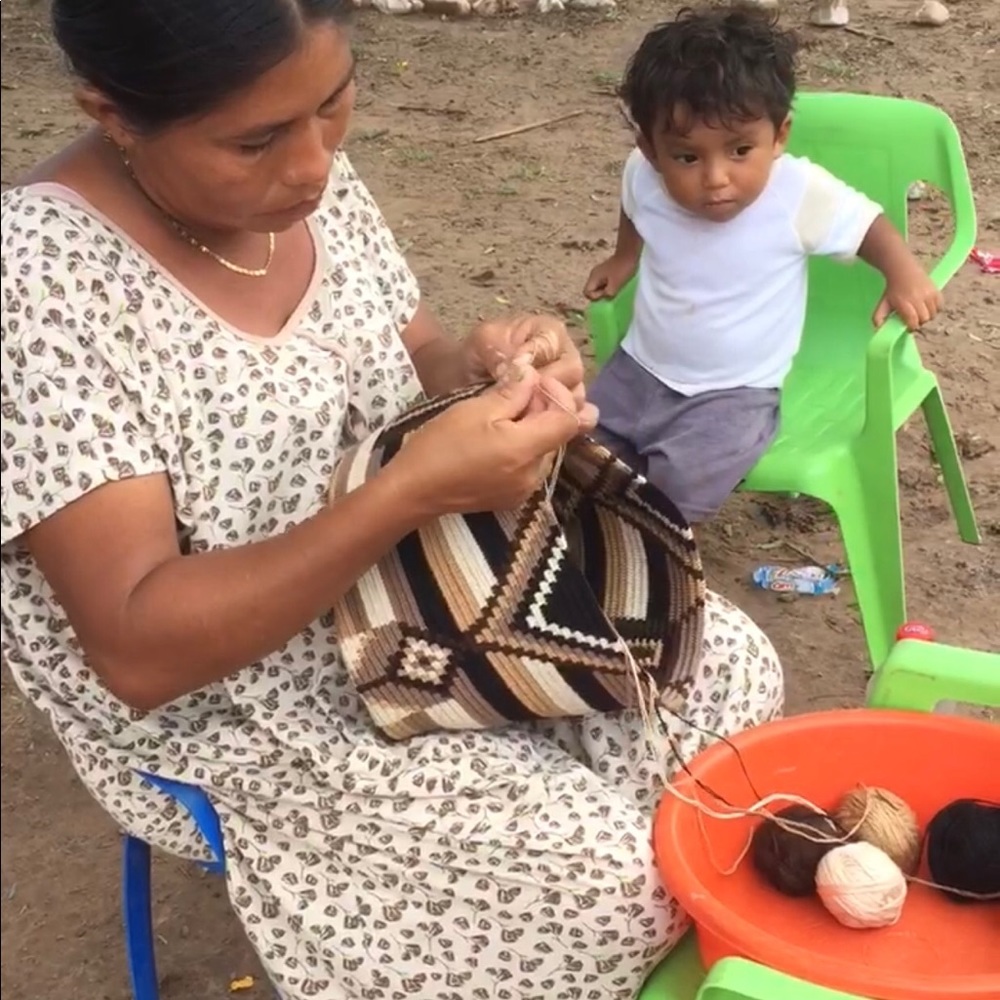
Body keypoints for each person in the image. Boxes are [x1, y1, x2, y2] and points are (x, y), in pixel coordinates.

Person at [0, 2, 783, 997]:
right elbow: (138, 648)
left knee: (725, 682)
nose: (314, 165)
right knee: (608, 884)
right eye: (256, 140)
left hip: (431, 586)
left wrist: (488, 367)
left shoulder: (303, 175)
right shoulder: (40, 284)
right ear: (112, 113)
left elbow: (415, 360)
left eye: (334, 104)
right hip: (243, 700)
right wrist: (409, 493)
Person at [583, 4, 941, 525]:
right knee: (580, 453)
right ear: (652, 150)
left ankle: (653, 560)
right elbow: (635, 203)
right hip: (639, 369)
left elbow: (867, 224)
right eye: (687, 157)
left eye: (739, 150)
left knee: (673, 493)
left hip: (734, 394)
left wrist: (902, 270)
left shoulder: (795, 192)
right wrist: (624, 256)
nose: (716, 178)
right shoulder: (644, 174)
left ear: (779, 136)